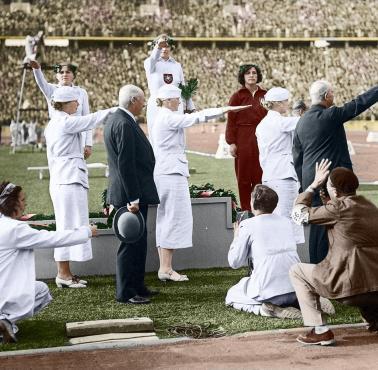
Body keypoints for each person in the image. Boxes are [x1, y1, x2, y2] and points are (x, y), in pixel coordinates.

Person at [151, 84, 246, 282]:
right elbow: (194, 118)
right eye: (177, 99)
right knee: (173, 218)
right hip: (171, 172)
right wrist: (224, 109)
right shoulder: (167, 116)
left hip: (168, 171)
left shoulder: (162, 115)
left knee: (167, 218)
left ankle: (164, 267)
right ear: (168, 100)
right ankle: (166, 268)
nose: (179, 102)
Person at [290, 159, 378, 345]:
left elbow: (298, 215)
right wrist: (330, 203)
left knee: (297, 271)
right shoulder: (371, 207)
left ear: (335, 190)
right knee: (365, 270)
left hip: (349, 289)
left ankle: (320, 330)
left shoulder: (336, 208)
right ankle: (375, 320)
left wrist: (313, 185)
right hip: (375, 287)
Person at [0, 181, 97, 344]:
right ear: (12, 203)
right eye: (23, 201)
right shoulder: (15, 229)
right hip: (3, 291)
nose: (25, 205)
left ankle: (7, 323)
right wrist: (86, 231)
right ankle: (6, 322)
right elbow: (52, 239)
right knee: (42, 291)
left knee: (38, 288)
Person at [292, 81, 378, 263]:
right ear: (326, 96)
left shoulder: (301, 122)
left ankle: (317, 267)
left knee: (317, 227)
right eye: (332, 93)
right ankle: (336, 268)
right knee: (341, 223)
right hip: (333, 180)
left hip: (312, 180)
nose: (334, 96)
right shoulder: (331, 115)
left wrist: (307, 185)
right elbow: (359, 103)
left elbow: (297, 158)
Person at [45, 86, 115, 288]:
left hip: (67, 178)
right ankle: (63, 274)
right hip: (67, 179)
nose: (78, 104)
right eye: (76, 101)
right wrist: (115, 110)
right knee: (66, 227)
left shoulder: (59, 121)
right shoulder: (64, 122)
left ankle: (65, 273)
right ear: (66, 103)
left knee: (68, 225)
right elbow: (91, 120)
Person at [103, 84, 160, 305]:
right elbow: (125, 164)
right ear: (133, 100)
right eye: (142, 100)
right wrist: (134, 198)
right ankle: (126, 292)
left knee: (138, 241)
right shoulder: (124, 123)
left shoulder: (118, 119)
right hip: (130, 195)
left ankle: (137, 285)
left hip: (132, 192)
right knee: (130, 243)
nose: (144, 104)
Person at [225, 185, 301, 319]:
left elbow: (234, 262)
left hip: (269, 294)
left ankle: (264, 310)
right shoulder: (286, 222)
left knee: (231, 295)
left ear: (253, 203)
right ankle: (307, 302)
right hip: (296, 289)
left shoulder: (247, 225)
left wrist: (236, 237)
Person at [256, 87, 304, 244]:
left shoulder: (262, 124)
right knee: (288, 217)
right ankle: (288, 258)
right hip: (284, 174)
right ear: (277, 103)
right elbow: (305, 122)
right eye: (285, 101)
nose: (288, 104)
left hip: (270, 174)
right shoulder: (280, 122)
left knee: (273, 217)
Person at [30, 60, 93, 160]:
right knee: (58, 168)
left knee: (77, 169)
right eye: (61, 72)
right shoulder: (51, 89)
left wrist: (88, 144)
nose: (64, 74)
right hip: (58, 136)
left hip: (77, 137)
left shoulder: (81, 92)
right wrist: (37, 69)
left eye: (68, 72)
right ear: (56, 76)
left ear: (74, 75)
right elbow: (41, 82)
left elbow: (87, 118)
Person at [225, 64, 267, 211]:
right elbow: (231, 120)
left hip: (262, 137)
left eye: (254, 73)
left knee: (260, 174)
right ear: (243, 76)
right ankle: (245, 210)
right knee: (243, 177)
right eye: (248, 73)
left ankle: (260, 209)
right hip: (243, 137)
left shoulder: (265, 95)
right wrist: (231, 142)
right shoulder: (237, 96)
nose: (251, 75)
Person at [144, 34, 195, 135]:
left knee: (177, 138)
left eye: (167, 45)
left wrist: (190, 106)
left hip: (175, 108)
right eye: (161, 45)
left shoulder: (177, 65)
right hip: (157, 106)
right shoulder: (150, 63)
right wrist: (158, 46)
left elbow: (183, 87)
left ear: (171, 47)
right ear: (155, 46)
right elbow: (153, 58)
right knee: (156, 138)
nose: (164, 48)